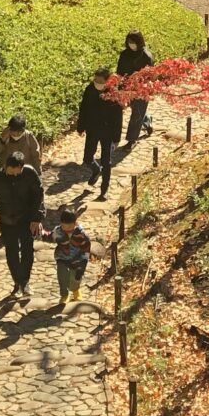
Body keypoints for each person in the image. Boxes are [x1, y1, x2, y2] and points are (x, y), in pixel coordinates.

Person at [0, 151, 44, 301]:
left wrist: (36, 218)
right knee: (11, 252)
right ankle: (17, 283)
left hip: (27, 219)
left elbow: (38, 196)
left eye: (17, 173)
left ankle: (25, 282)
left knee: (28, 251)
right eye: (10, 173)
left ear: (22, 167)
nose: (14, 176)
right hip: (7, 220)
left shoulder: (29, 173)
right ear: (6, 167)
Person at [76, 66, 124, 199]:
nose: (97, 82)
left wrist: (116, 137)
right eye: (95, 79)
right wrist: (81, 127)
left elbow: (118, 116)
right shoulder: (90, 89)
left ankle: (104, 189)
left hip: (107, 131)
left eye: (100, 80)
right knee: (87, 158)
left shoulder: (113, 93)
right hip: (92, 129)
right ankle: (96, 170)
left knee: (106, 161)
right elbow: (83, 108)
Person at [117, 30, 155, 144]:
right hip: (127, 88)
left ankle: (131, 140)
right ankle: (147, 121)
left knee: (136, 114)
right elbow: (119, 72)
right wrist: (120, 88)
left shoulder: (146, 56)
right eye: (129, 42)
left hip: (141, 89)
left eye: (133, 42)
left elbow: (150, 76)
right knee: (137, 110)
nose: (131, 44)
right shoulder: (124, 55)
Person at [51, 206, 94, 307]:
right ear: (61, 224)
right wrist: (40, 234)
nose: (67, 230)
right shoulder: (57, 232)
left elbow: (86, 247)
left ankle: (75, 290)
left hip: (77, 257)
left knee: (76, 276)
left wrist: (84, 260)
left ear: (75, 224)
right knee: (62, 275)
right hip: (61, 257)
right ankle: (64, 295)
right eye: (64, 227)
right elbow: (49, 237)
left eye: (70, 227)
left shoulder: (81, 234)